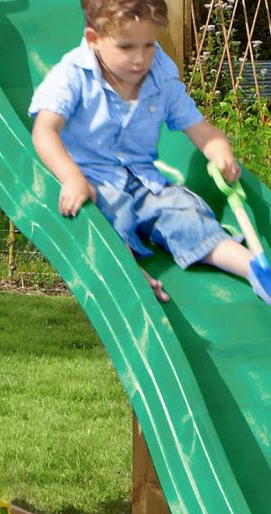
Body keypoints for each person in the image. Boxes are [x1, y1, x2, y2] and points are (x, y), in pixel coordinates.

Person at [28, 0, 270, 305]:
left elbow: (200, 129)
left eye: (149, 45)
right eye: (126, 47)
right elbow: (44, 131)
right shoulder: (72, 74)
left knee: (184, 213)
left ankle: (254, 268)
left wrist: (219, 151)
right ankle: (130, 277)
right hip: (93, 179)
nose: (140, 59)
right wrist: (72, 177)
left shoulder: (160, 77)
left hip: (144, 179)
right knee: (107, 217)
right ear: (94, 40)